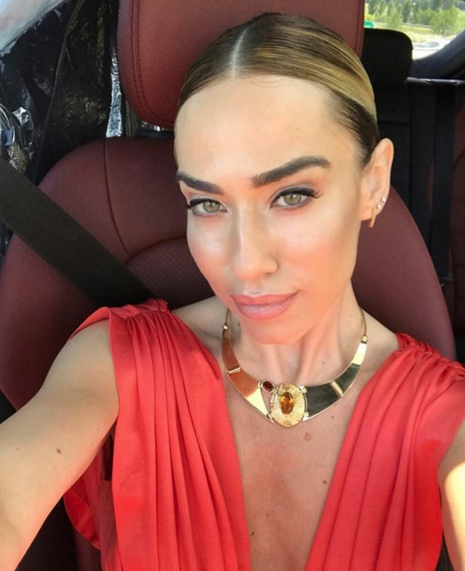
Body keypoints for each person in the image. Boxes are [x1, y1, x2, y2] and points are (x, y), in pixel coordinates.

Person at [0, 12, 464, 571]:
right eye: (207, 204)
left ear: (374, 182)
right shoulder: (114, 363)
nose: (246, 264)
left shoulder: (447, 414)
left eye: (292, 195)